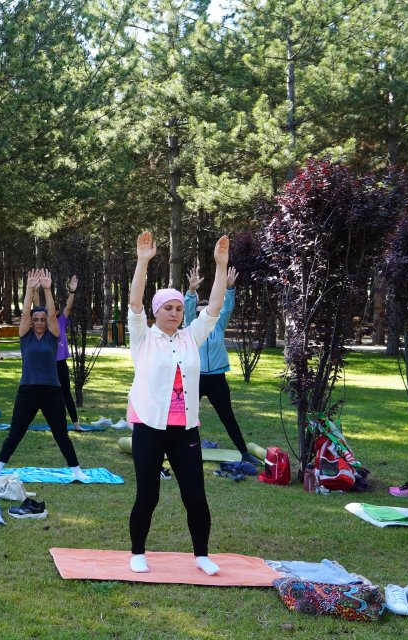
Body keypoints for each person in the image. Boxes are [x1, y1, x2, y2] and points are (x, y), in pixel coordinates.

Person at [125, 231, 229, 576]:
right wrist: (143, 262)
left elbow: (213, 308)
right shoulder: (143, 338)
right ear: (157, 312)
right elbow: (135, 303)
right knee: (148, 496)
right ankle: (138, 552)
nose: (174, 313)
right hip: (149, 428)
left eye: (179, 309)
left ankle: (201, 555)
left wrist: (220, 264)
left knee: (196, 497)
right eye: (168, 308)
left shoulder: (190, 337)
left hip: (185, 429)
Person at [0, 269, 87, 481]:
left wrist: (47, 289)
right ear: (31, 322)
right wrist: (30, 289)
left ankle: (77, 470)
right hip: (28, 391)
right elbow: (24, 314)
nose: (40, 322)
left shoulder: (53, 336)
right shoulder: (25, 336)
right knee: (16, 432)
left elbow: (52, 314)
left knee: (61, 434)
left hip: (52, 391)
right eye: (36, 319)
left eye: (42, 320)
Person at [183, 265, 257, 465]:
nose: (199, 317)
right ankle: (183, 453)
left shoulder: (218, 326)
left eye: (203, 314)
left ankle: (244, 453)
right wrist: (191, 292)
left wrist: (230, 289)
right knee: (186, 419)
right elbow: (188, 310)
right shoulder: (191, 327)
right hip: (195, 379)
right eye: (197, 314)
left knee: (228, 417)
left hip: (217, 380)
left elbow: (226, 308)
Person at [54, 275, 85, 431]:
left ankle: (75, 423)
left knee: (66, 393)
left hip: (60, 364)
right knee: (44, 395)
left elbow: (68, 307)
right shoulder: (42, 324)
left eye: (55, 309)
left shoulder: (61, 321)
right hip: (46, 366)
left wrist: (72, 291)